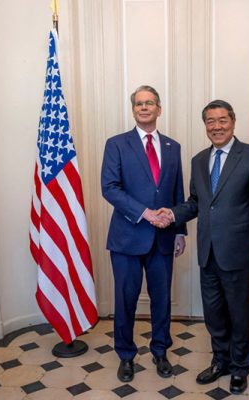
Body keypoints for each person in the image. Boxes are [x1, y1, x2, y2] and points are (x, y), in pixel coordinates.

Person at [155, 100, 249, 394]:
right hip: (208, 253)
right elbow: (196, 203)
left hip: (239, 253)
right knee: (214, 314)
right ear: (205, 125)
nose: (216, 127)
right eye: (210, 121)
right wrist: (172, 214)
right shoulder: (198, 160)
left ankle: (240, 368)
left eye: (222, 120)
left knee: (241, 314)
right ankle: (221, 361)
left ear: (233, 122)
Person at [101, 85, 186, 383]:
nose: (144, 108)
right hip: (127, 237)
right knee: (125, 299)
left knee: (162, 299)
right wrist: (145, 213)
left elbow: (177, 192)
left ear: (159, 109)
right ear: (133, 110)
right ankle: (126, 355)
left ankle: (160, 351)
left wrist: (180, 232)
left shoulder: (173, 147)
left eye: (150, 103)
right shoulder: (116, 144)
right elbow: (109, 188)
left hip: (163, 238)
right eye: (139, 104)